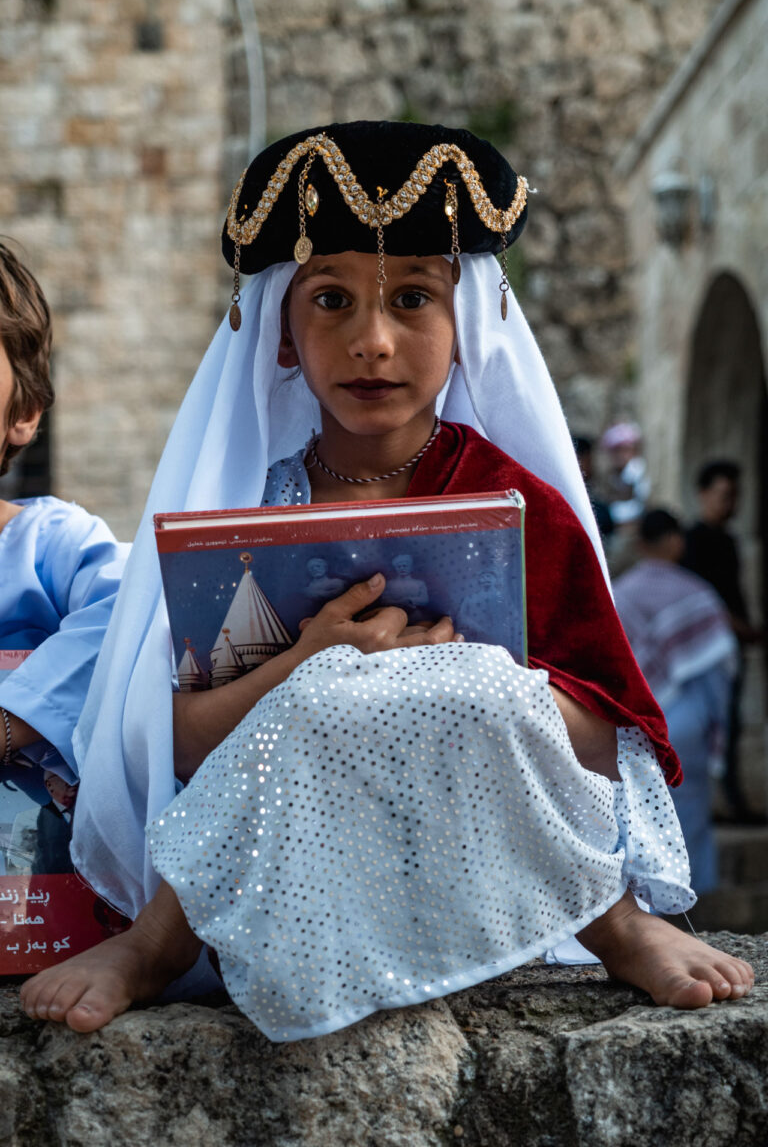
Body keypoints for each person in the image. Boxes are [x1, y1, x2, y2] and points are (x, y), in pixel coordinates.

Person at [20, 122, 753, 1037]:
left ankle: (614, 921)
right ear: (282, 333)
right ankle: (161, 940)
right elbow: (172, 748)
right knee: (326, 691)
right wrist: (309, 662)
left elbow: (608, 738)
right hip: (301, 873)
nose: (372, 339)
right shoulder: (252, 519)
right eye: (330, 300)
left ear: (468, 325)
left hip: (482, 867)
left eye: (413, 297)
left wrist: (459, 682)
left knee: (462, 685)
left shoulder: (518, 506)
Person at [0, 241, 127, 836]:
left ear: (22, 412)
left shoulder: (54, 544)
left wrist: (12, 718)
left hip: (36, 881)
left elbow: (129, 617)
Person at [614, 509, 737, 894]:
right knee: (691, 816)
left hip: (636, 727)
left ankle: (644, 906)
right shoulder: (697, 593)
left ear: (640, 545)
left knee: (636, 817)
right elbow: (718, 673)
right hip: (687, 724)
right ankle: (693, 908)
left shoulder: (619, 593)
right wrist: (720, 731)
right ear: (676, 541)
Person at [682, 460, 763, 821]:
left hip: (730, 649)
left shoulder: (727, 541)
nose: (730, 504)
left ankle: (730, 801)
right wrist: (739, 626)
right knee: (708, 727)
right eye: (723, 495)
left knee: (727, 726)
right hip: (705, 654)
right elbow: (702, 602)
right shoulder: (694, 541)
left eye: (734, 496)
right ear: (703, 495)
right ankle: (716, 802)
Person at [32, 771, 78, 875]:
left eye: (74, 777)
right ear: (49, 785)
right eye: (65, 778)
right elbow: (44, 855)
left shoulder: (88, 807)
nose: (72, 782)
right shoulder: (47, 815)